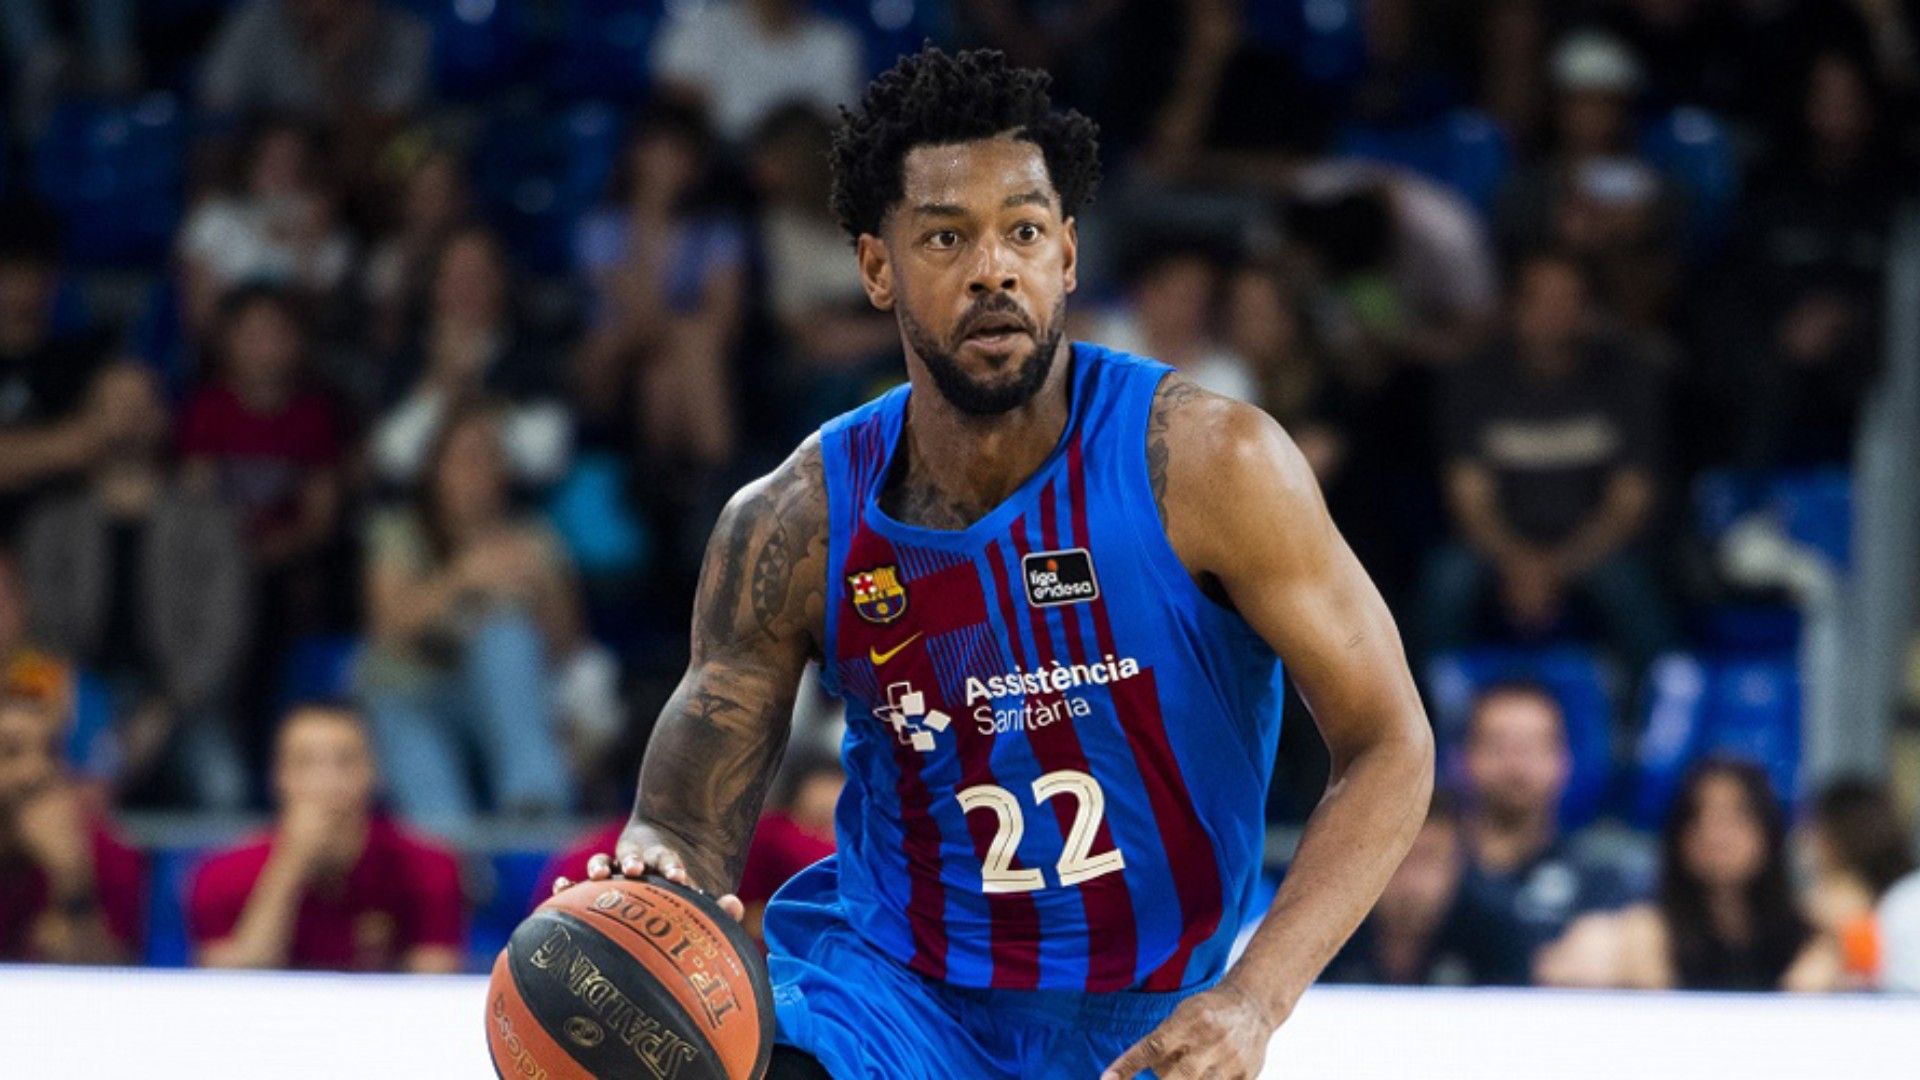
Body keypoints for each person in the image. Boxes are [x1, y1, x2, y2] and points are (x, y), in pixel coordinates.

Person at [555, 46, 1434, 1080]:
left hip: (1151, 1012)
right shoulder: (796, 523)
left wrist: (1253, 999)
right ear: (876, 267)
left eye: (1023, 231)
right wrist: (649, 883)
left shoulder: (1210, 466)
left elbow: (1390, 743)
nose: (992, 269)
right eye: (945, 236)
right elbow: (681, 828)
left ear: (1068, 254)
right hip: (891, 1001)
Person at [1420, 250, 1678, 677]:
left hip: (1593, 545)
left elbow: (1630, 500)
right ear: (1513, 307)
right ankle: (1428, 709)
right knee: (1446, 580)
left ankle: (1653, 713)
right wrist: (1518, 563)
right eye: (1539, 300)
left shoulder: (1626, 376)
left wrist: (1558, 566)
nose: (1552, 314)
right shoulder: (1473, 378)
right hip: (1498, 544)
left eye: (1566, 300)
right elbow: (1468, 497)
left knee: (1633, 588)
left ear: (1588, 310)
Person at [21, 363, 252, 811]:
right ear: (87, 418)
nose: (126, 416)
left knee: (225, 790)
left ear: (163, 417)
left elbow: (224, 633)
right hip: (71, 695)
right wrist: (84, 710)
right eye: (112, 404)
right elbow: (40, 628)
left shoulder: (208, 520)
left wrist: (163, 712)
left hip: (183, 698)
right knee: (29, 782)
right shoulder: (52, 523)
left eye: (139, 404)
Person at [358, 403, 584, 828]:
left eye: (489, 458)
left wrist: (540, 590)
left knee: (507, 635)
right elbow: (389, 630)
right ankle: (444, 843)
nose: (477, 472)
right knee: (396, 707)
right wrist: (462, 579)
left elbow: (567, 648)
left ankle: (536, 808)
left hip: (499, 700)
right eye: (464, 458)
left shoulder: (532, 538)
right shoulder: (400, 531)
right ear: (435, 470)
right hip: (412, 692)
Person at [188, 700, 464, 971]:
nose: (327, 783)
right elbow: (231, 985)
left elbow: (435, 982)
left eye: (345, 762)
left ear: (375, 772)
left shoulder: (429, 868)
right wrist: (290, 864)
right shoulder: (220, 875)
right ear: (278, 777)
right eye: (306, 763)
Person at [1536, 758, 1840, 991]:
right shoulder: (1644, 932)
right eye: (1698, 817)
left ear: (1768, 832)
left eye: (1735, 818)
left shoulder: (1811, 938)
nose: (1714, 835)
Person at [536, 749, 843, 949]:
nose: (831, 840)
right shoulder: (774, 839)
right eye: (820, 823)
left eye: (844, 829)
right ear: (781, 812)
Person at [1443, 683, 1636, 985]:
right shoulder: (1428, 868)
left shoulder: (1599, 880)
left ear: (1563, 761)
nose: (1515, 764)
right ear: (1464, 759)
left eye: (1532, 747)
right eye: (1498, 746)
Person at [372, 225, 571, 491]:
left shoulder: (532, 354)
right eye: (456, 276)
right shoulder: (407, 358)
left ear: (500, 282)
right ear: (435, 286)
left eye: (478, 275)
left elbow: (548, 457)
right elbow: (391, 458)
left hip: (511, 508)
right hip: (420, 509)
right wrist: (441, 384)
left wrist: (476, 396)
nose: (466, 288)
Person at [0, 692, 143, 964]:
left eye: (51, 751)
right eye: (10, 751)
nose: (35, 772)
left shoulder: (106, 853)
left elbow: (111, 981)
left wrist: (73, 881)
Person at [0, 209, 113, 541]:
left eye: (29, 272)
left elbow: (93, 443)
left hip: (69, 538)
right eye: (7, 273)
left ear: (52, 277)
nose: (18, 288)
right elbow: (71, 446)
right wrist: (55, 448)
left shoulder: (87, 358)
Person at [651, 0, 864, 145]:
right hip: (712, 160)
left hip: (796, 166)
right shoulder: (700, 30)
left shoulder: (834, 43)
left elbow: (838, 123)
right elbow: (675, 108)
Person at [1321, 792, 1475, 986]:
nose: (1411, 882)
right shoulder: (1321, 934)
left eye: (1427, 860)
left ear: (1456, 865)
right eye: (1396, 860)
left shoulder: (1496, 936)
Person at [199, 0, 431, 122]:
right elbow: (216, 108)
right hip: (268, 164)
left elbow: (387, 126)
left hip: (373, 170)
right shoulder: (253, 25)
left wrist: (337, 69)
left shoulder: (405, 34)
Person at [1799, 777, 1916, 988]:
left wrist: (1836, 937)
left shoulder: (1899, 906)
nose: (1807, 842)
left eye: (1814, 830)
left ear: (1834, 840)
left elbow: (1803, 985)